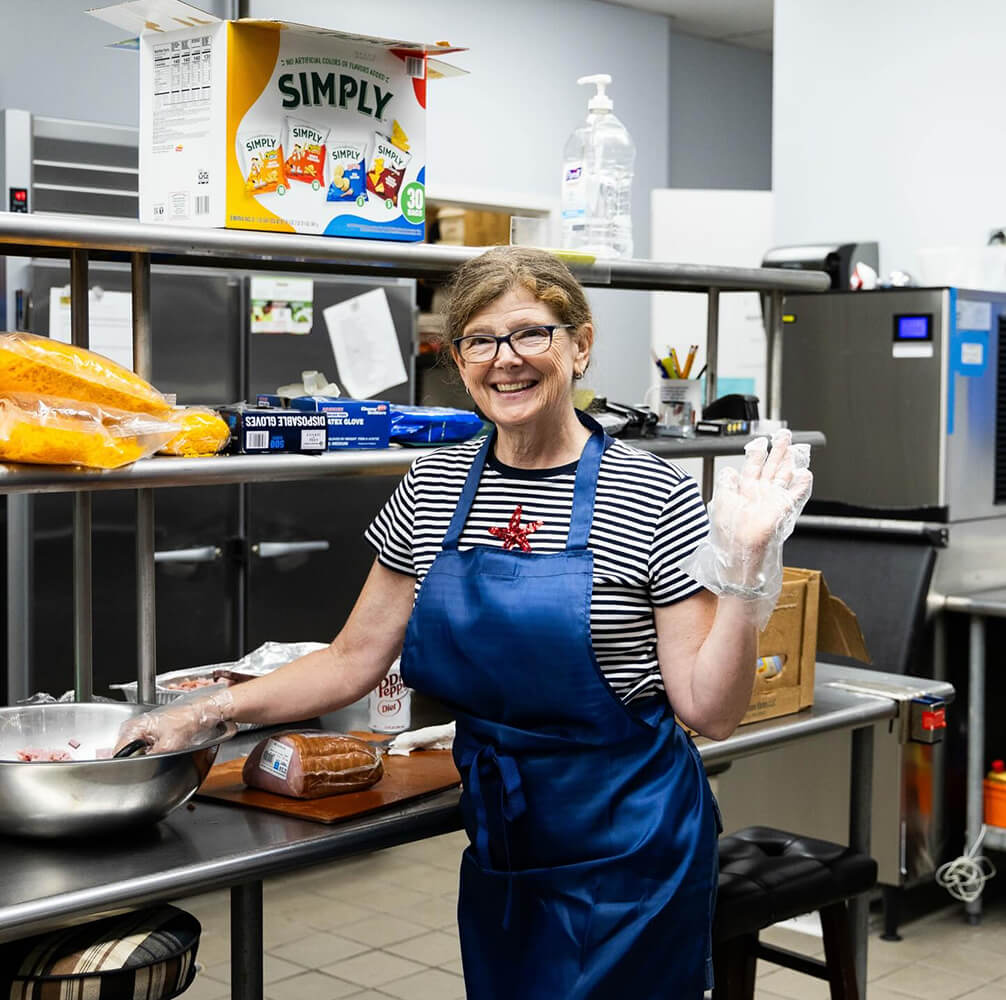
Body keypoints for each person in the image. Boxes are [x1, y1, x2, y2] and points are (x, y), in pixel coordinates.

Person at [118, 246, 812, 999]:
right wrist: (208, 711)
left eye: (529, 334)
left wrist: (743, 570)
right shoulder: (435, 483)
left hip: (631, 844)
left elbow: (711, 712)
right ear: (458, 359)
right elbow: (352, 659)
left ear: (580, 345)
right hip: (503, 836)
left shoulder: (653, 490)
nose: (504, 361)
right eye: (479, 341)